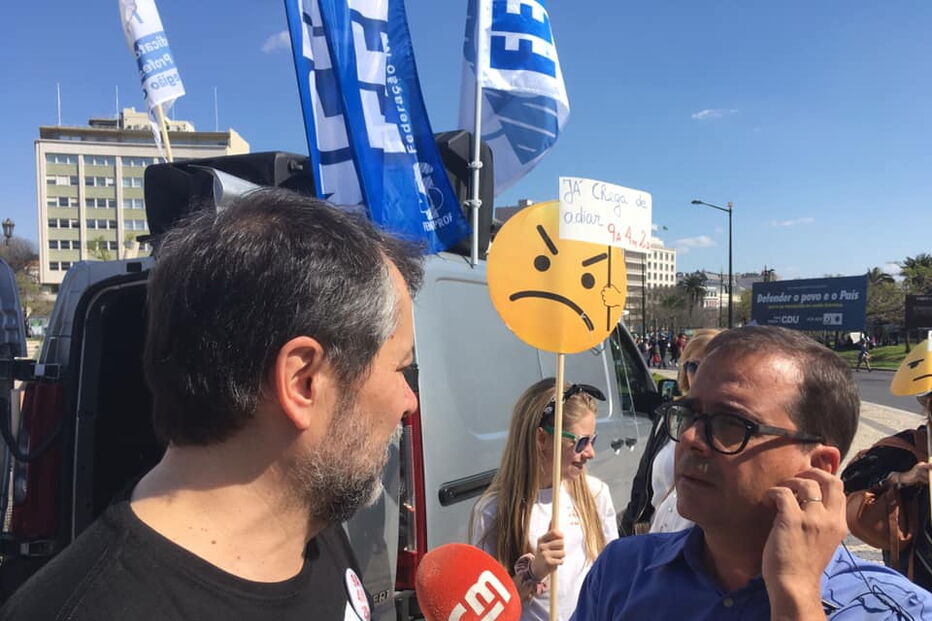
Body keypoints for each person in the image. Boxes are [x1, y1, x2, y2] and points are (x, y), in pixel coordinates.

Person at [0, 189, 423, 620]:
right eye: (400, 370)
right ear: (302, 381)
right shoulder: (89, 608)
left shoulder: (310, 527)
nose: (409, 403)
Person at [573, 326, 932, 619]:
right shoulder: (622, 573)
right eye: (688, 414)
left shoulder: (892, 611)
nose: (690, 438)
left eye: (731, 423)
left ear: (819, 467)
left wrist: (797, 596)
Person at [470, 379, 617, 620]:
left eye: (593, 440)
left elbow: (613, 578)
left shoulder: (596, 494)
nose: (591, 452)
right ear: (541, 439)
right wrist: (533, 572)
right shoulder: (494, 510)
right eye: (581, 442)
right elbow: (487, 612)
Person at [842, 344, 932, 590]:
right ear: (928, 405)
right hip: (918, 578)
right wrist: (903, 478)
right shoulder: (903, 448)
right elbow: (851, 480)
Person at [619, 329, 720, 535]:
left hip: (696, 548)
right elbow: (642, 486)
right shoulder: (669, 416)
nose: (700, 376)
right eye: (693, 366)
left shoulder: (730, 427)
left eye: (710, 367)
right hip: (656, 540)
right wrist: (628, 535)